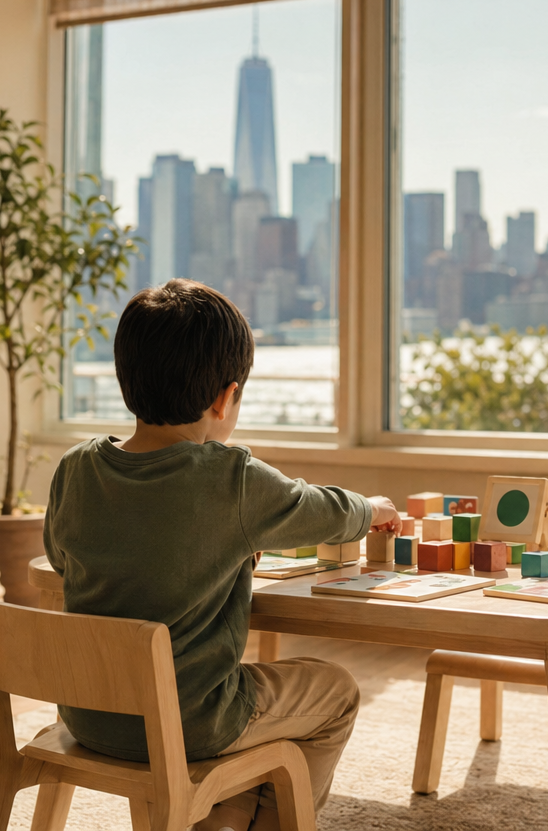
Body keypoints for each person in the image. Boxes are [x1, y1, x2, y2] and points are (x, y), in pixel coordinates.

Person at [44, 278, 398, 831]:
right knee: (338, 692)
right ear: (224, 397)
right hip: (192, 721)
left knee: (249, 701)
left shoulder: (75, 468)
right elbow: (324, 510)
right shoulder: (230, 479)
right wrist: (375, 508)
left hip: (90, 715)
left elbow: (67, 561)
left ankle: (223, 812)